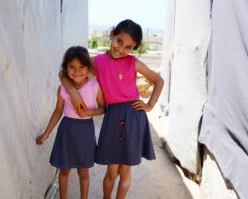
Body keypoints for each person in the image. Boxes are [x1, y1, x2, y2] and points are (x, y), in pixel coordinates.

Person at [60, 19, 164, 199]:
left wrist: (150, 104)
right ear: (112, 35)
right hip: (113, 116)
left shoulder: (133, 63)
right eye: (119, 41)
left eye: (128, 47)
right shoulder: (97, 62)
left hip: (134, 116)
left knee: (125, 170)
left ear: (133, 49)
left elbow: (158, 80)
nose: (121, 49)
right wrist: (72, 92)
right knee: (111, 170)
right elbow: (63, 73)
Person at [37, 46, 105, 199]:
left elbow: (103, 108)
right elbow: (58, 111)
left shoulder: (95, 87)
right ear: (65, 69)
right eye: (72, 67)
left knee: (83, 171)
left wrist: (90, 113)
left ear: (88, 68)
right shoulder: (62, 89)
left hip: (85, 132)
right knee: (64, 170)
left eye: (82, 67)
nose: (77, 71)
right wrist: (47, 132)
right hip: (66, 131)